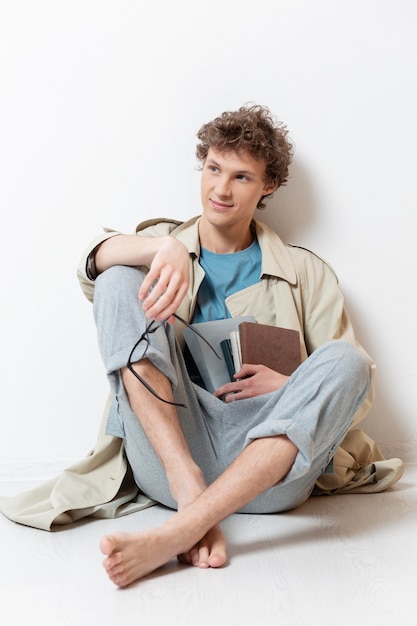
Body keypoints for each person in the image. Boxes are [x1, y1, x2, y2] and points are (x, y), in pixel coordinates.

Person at [76, 103, 378, 588]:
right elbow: (90, 265)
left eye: (241, 176)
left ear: (268, 186)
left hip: (270, 464)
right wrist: (163, 248)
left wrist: (291, 380)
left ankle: (182, 527)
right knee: (116, 282)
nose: (220, 189)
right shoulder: (160, 244)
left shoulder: (308, 272)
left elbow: (353, 389)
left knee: (351, 359)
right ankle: (192, 498)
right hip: (173, 458)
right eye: (214, 168)